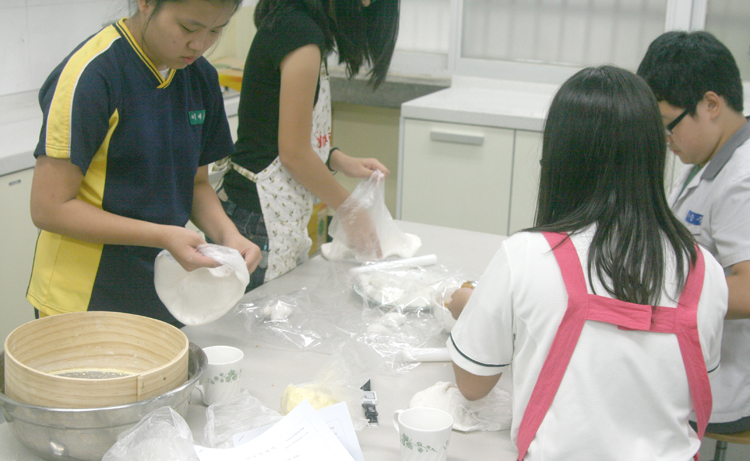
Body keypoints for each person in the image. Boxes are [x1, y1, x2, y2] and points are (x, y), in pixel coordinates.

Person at [446, 66, 728, 460]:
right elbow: (686, 391)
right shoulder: (704, 271)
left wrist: (475, 310)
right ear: (653, 153)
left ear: (558, 158)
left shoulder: (527, 255)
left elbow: (473, 386)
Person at [27, 0, 262, 327]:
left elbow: (195, 184)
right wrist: (164, 236)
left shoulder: (200, 77)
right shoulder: (93, 74)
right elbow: (49, 208)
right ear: (147, 3)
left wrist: (228, 235)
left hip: (161, 290)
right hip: (84, 297)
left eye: (215, 31)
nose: (199, 44)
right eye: (188, 28)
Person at [218, 0, 399, 289]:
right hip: (256, 217)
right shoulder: (300, 34)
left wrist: (337, 159)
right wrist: (349, 209)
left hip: (264, 213)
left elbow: (275, 130)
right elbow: (293, 154)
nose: (367, 3)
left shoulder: (301, 27)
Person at [637, 30, 750, 435]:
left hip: (722, 384)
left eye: (669, 125)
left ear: (711, 104)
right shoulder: (706, 159)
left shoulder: (742, 180)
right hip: (686, 358)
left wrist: (659, 288)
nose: (665, 140)